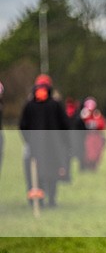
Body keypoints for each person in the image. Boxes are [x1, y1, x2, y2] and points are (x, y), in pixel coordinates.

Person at [19, 74, 70, 208]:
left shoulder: (29, 104)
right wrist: (63, 142)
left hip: (34, 145)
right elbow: (65, 125)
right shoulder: (55, 104)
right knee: (52, 172)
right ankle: (51, 199)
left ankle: (37, 200)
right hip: (53, 146)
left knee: (34, 172)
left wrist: (29, 140)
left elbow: (23, 125)